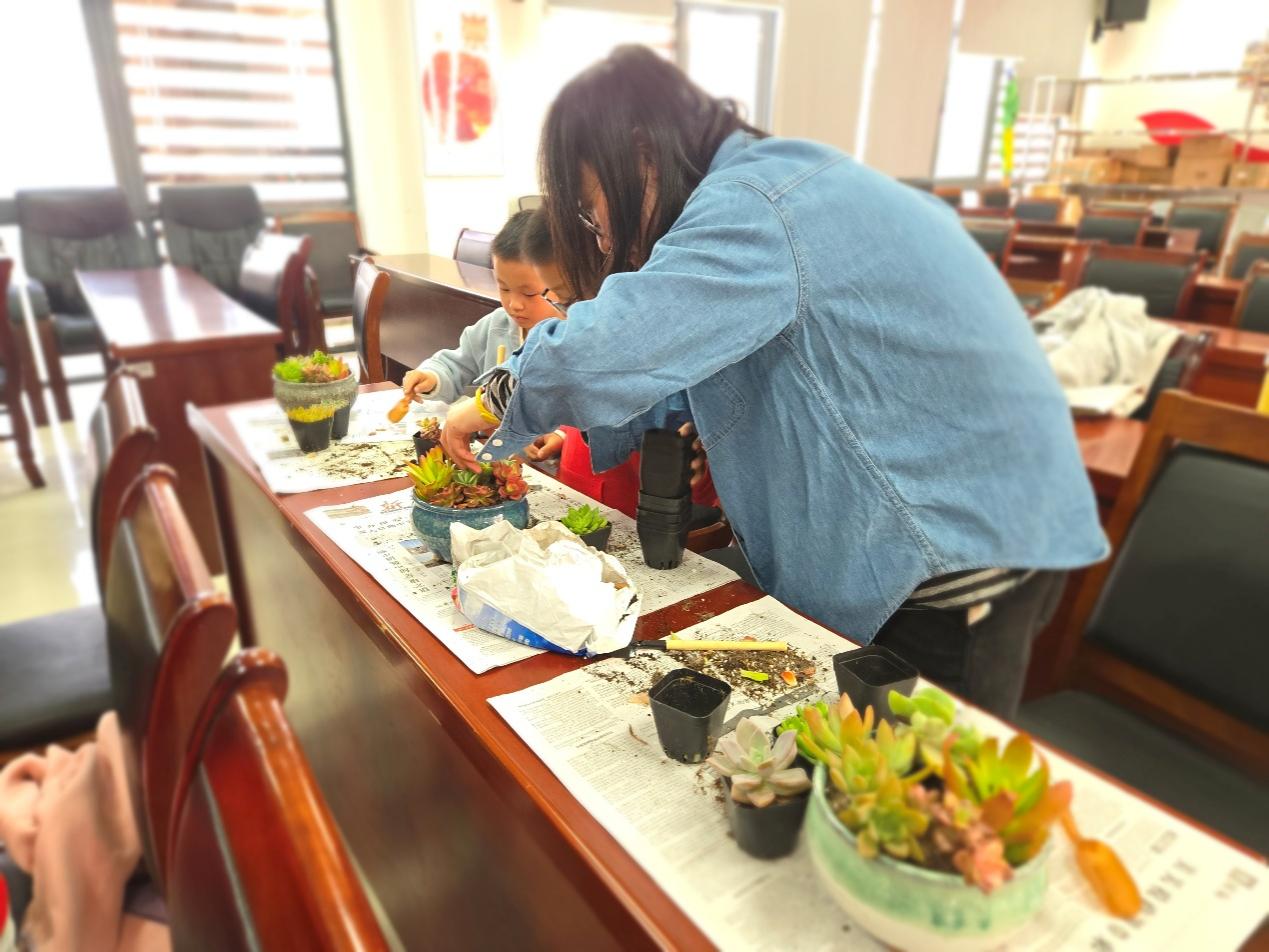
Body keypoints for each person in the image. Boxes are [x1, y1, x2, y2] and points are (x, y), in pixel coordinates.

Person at [442, 47, 1107, 717]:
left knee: (909, 760)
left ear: (642, 155)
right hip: (963, 517)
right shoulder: (777, 180)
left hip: (955, 548)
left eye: (593, 210)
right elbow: (693, 363)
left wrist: (495, 397)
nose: (604, 237)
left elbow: (621, 338)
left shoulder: (754, 202)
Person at [400, 210, 557, 405]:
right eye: (504, 288)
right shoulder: (495, 325)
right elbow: (454, 365)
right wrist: (431, 377)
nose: (514, 304)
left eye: (529, 293)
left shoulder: (572, 338)